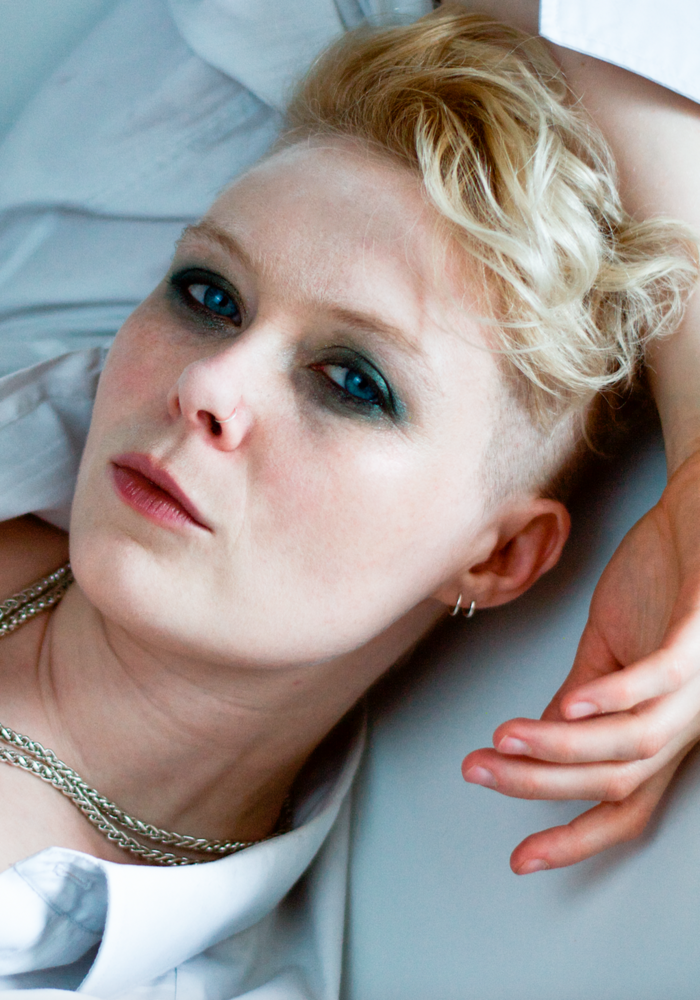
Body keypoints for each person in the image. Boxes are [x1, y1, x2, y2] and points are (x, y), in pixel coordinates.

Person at [0, 4, 699, 996]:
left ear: (497, 556)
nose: (207, 386)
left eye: (352, 383)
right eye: (208, 295)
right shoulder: (53, 311)